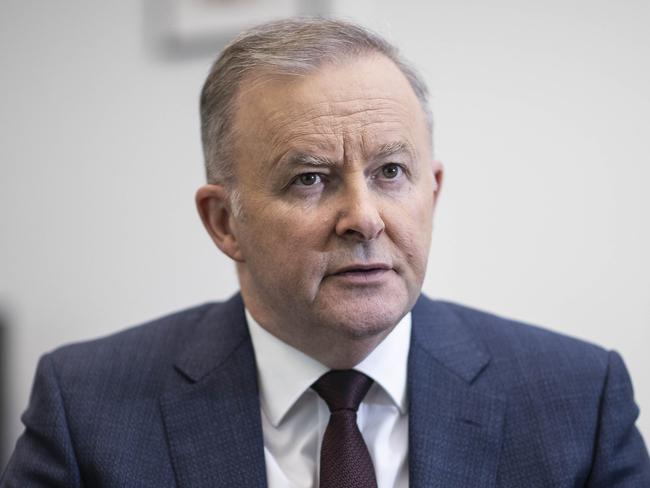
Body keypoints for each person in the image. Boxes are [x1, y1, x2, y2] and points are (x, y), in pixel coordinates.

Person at [2, 17, 649, 488]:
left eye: (392, 171)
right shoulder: (87, 409)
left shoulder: (576, 401)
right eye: (309, 178)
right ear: (224, 221)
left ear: (434, 191)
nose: (363, 218)